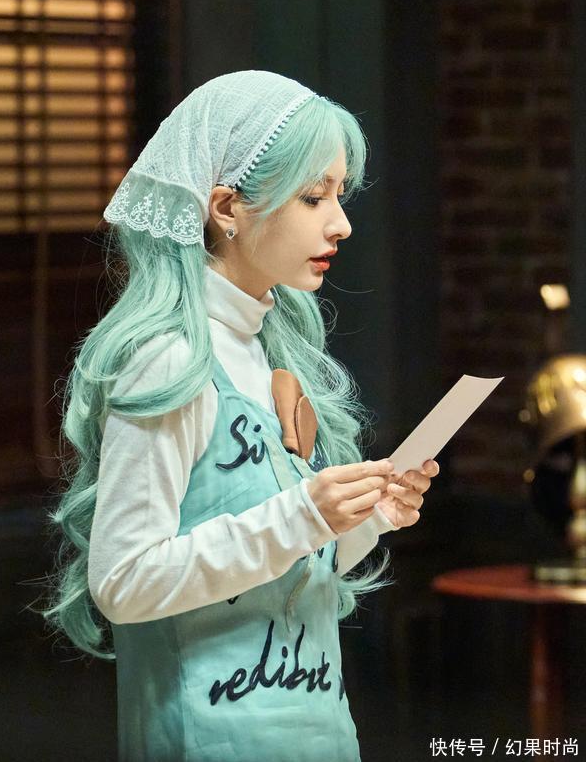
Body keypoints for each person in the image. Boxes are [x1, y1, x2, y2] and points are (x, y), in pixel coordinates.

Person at [40, 69, 439, 762]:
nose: (341, 222)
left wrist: (366, 516)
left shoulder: (271, 348)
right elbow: (123, 581)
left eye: (339, 194)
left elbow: (282, 560)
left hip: (315, 729)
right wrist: (303, 515)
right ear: (226, 207)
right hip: (211, 737)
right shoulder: (169, 359)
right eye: (313, 196)